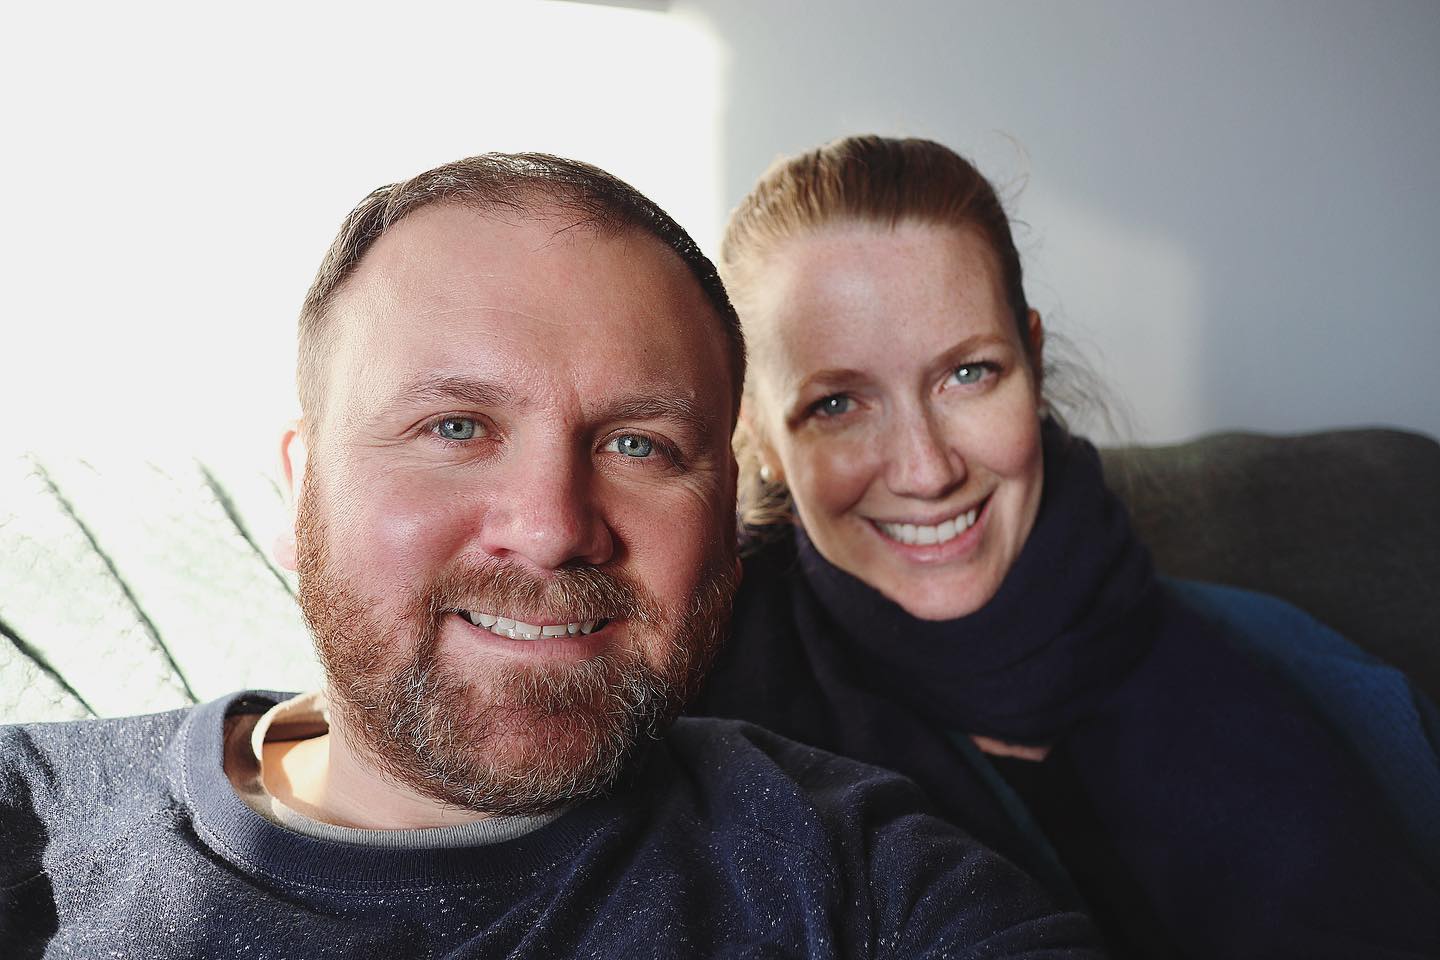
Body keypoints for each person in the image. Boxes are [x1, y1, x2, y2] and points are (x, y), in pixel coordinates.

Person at [0, 152, 1103, 959]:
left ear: (728, 510)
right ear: (300, 491)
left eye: (639, 444)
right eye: (456, 428)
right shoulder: (33, 821)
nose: (552, 524)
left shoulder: (860, 868)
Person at [690, 135, 1440, 959]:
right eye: (836, 404)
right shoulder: (695, 732)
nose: (927, 469)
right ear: (756, 434)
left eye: (968, 374)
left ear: (1034, 361)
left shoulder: (1314, 674)